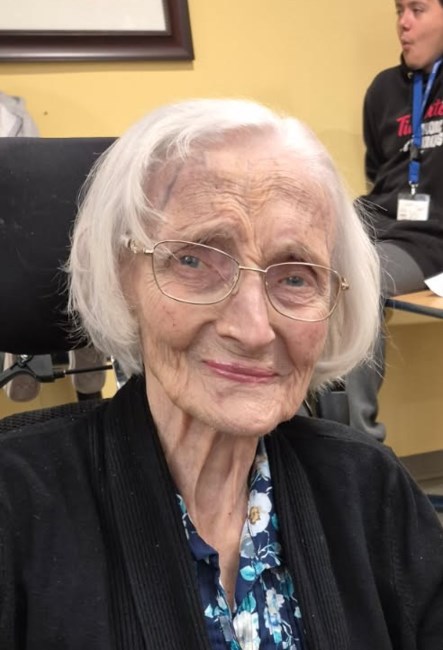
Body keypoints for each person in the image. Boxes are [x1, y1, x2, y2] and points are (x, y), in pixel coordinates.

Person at [0, 98, 442, 650]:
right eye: (194, 260)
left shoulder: (369, 487)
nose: (253, 330)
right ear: (122, 276)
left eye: (296, 277)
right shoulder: (16, 502)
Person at [345, 0, 443, 439]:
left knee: (355, 277)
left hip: (429, 242)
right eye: (399, 10)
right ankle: (305, 439)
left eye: (417, 9)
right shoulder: (384, 88)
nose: (403, 23)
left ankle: (359, 449)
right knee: (288, 263)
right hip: (378, 224)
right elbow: (378, 171)